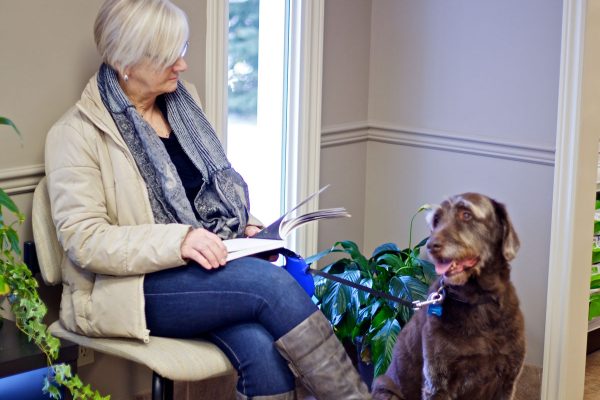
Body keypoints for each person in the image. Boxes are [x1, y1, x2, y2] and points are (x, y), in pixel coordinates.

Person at [44, 1, 371, 399]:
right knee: (270, 287)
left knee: (260, 349)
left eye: (182, 51)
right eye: (169, 56)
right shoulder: (74, 136)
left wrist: (248, 228)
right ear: (125, 61)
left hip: (203, 271)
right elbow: (85, 240)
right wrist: (180, 240)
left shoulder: (185, 107)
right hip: (129, 288)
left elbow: (209, 191)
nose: (182, 65)